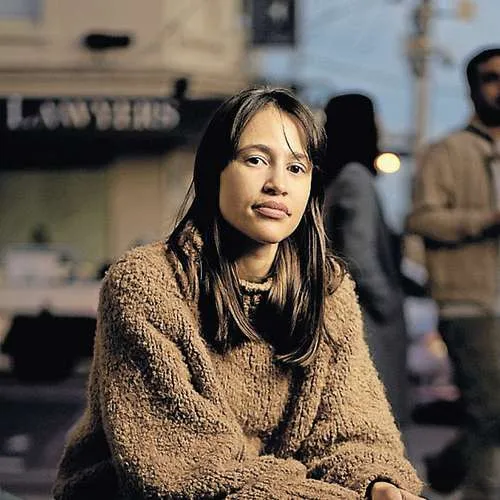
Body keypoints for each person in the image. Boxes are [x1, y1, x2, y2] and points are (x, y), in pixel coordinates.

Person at [53, 87, 423, 499]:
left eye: (296, 167)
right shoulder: (147, 282)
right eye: (256, 160)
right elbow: (185, 471)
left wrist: (377, 484)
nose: (277, 184)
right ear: (214, 171)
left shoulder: (328, 291)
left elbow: (355, 431)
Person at [407, 46, 500, 498]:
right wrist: (484, 221)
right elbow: (422, 219)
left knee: (491, 411)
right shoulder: (446, 152)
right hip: (468, 301)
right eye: (491, 78)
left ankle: (446, 468)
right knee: (490, 407)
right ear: (472, 87)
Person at [322, 93, 409, 428]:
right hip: (366, 319)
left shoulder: (332, 181)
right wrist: (388, 304)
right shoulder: (356, 178)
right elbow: (358, 256)